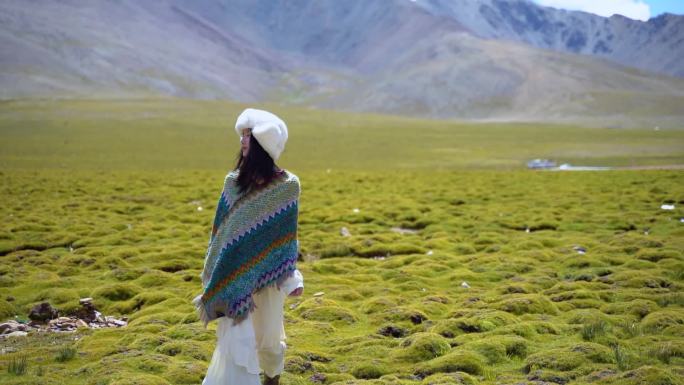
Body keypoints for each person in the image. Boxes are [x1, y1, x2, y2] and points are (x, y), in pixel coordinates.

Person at [192, 108, 304, 385]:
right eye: (242, 135)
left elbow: (285, 239)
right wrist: (216, 270)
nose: (242, 141)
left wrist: (291, 278)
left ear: (263, 144)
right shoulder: (232, 184)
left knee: (268, 340)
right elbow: (221, 234)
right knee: (238, 341)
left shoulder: (288, 186)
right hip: (235, 278)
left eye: (248, 136)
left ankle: (272, 377)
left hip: (270, 278)